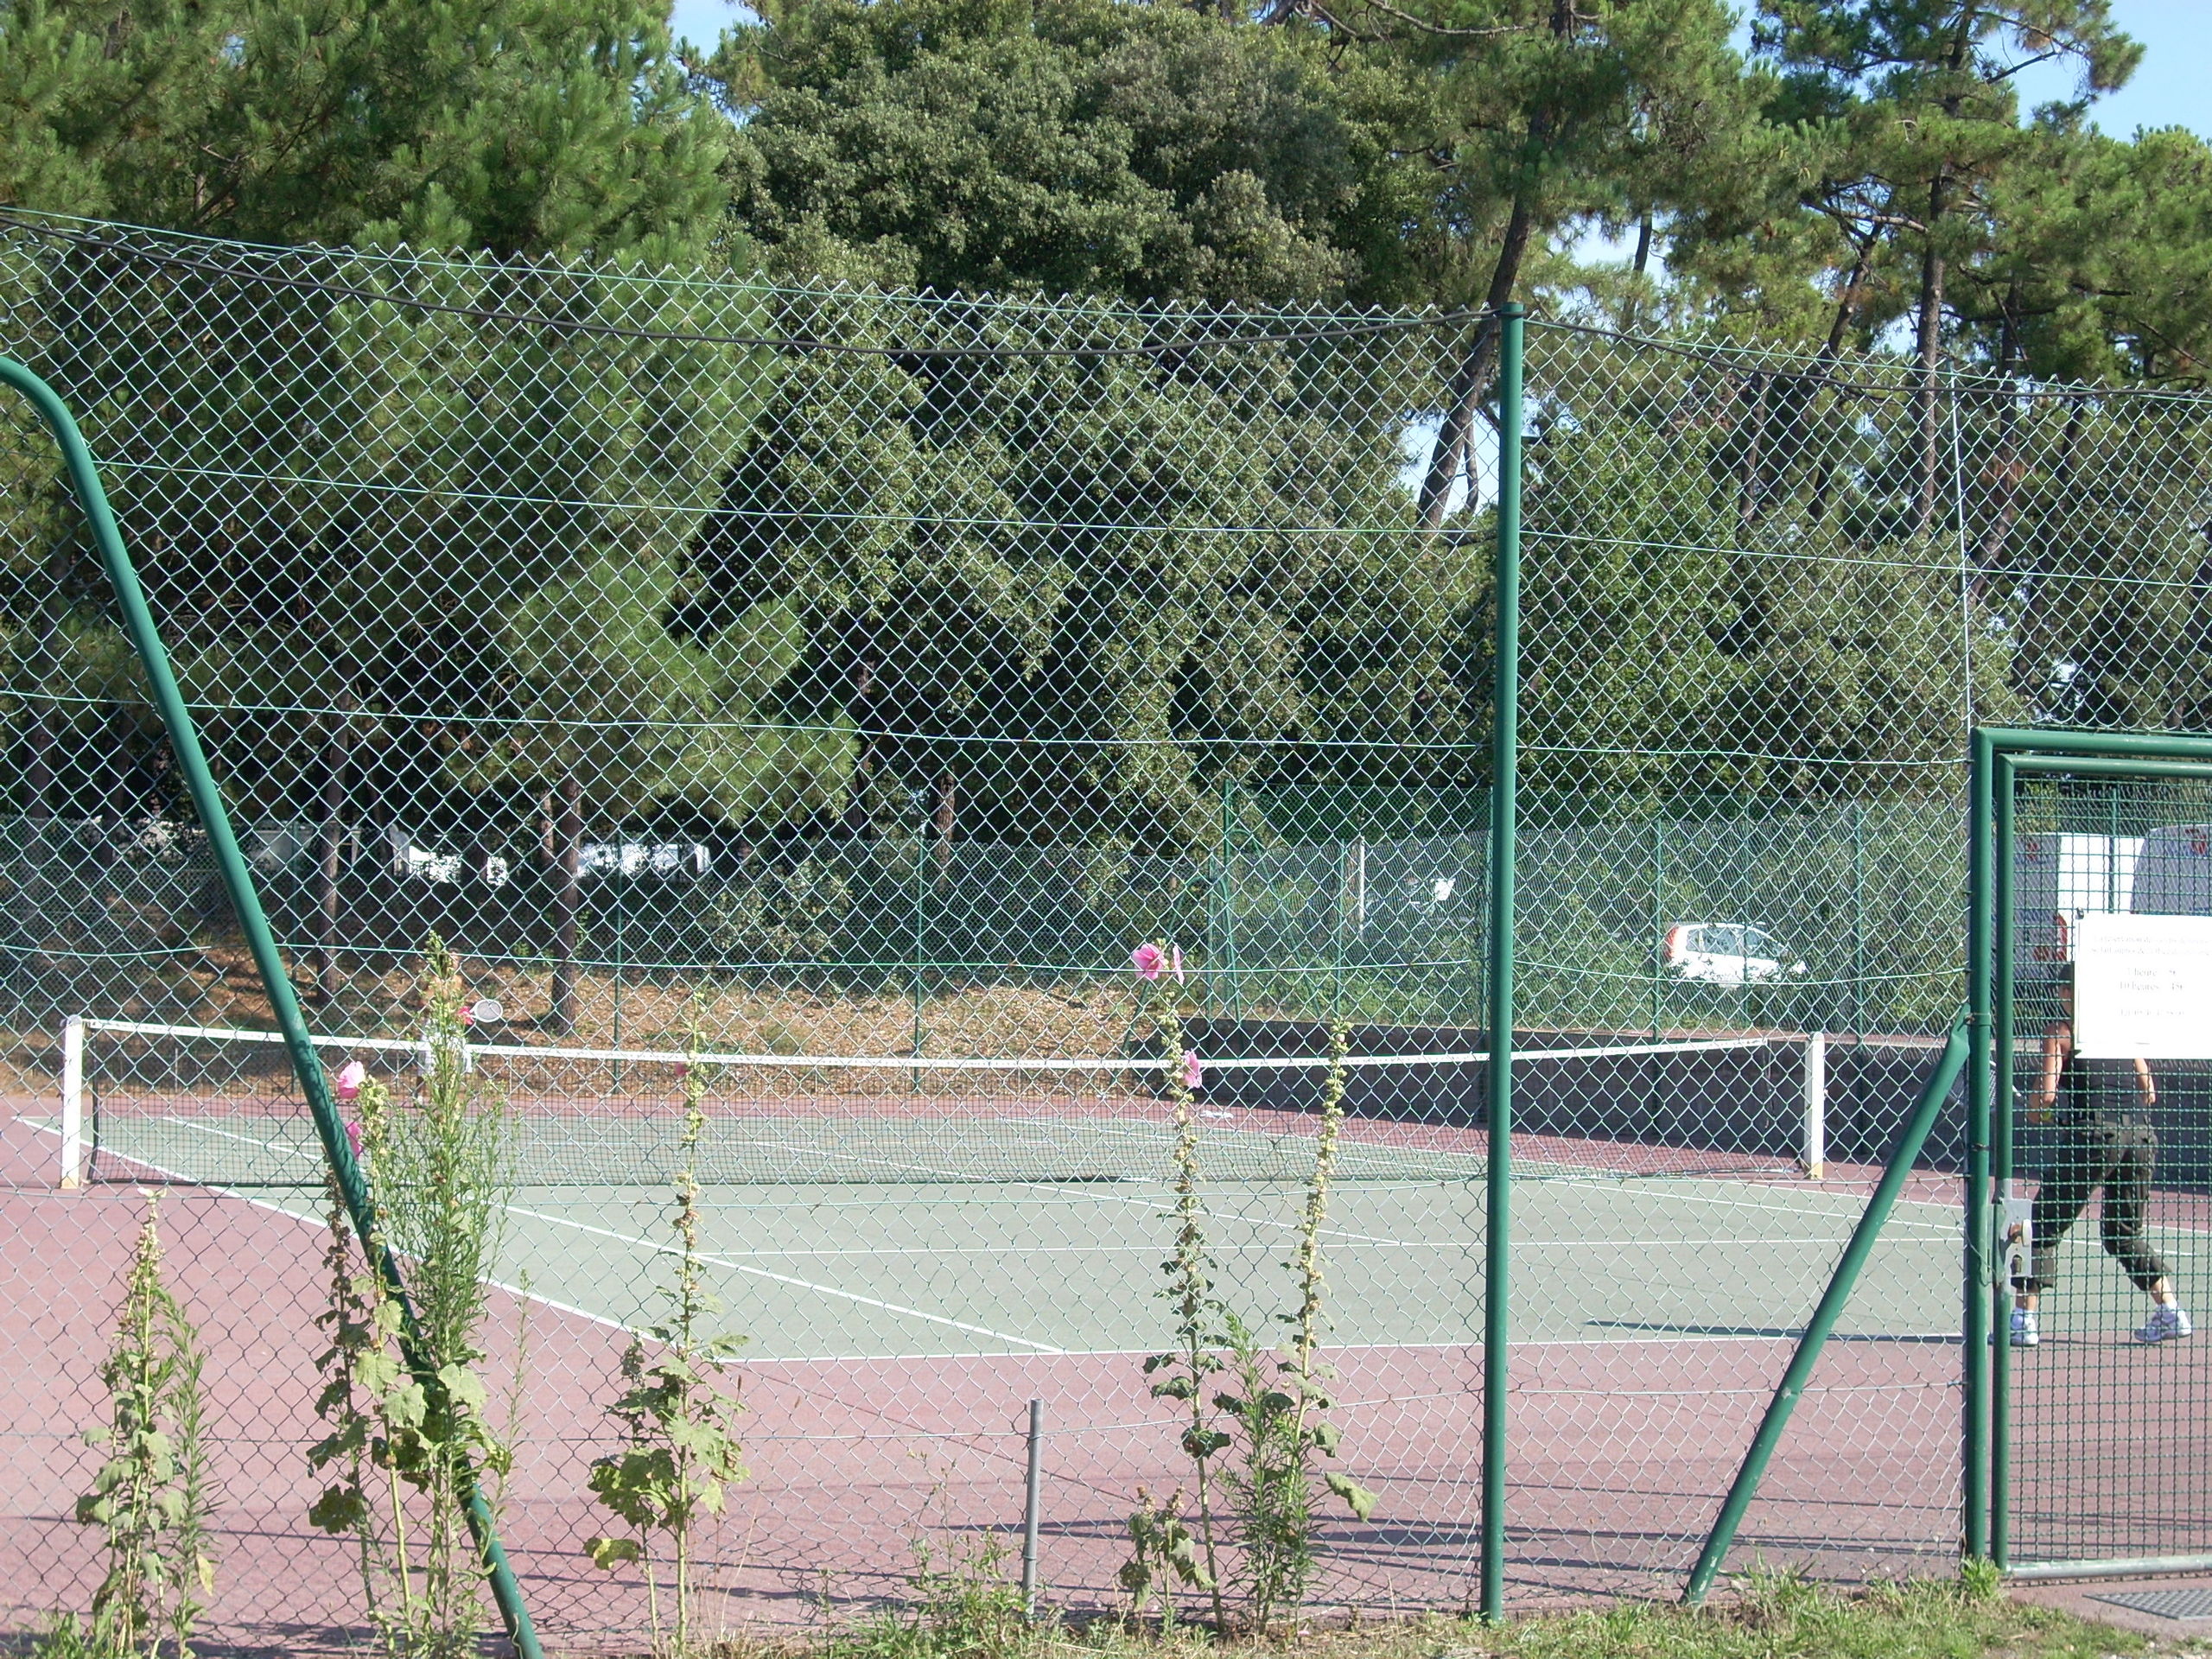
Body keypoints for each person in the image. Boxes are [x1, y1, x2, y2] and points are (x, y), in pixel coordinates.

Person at [2010, 968, 2192, 1346]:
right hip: (2141, 1137)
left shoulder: (2060, 1032)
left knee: (2040, 1224)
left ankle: (2022, 1321)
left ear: (2066, 993)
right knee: (2122, 1233)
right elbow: (2149, 1092)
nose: (2060, 996)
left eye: (2062, 990)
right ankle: (2172, 1311)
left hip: (2095, 1137)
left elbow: (2043, 1100)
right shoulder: (2121, 1030)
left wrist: (2038, 1109)